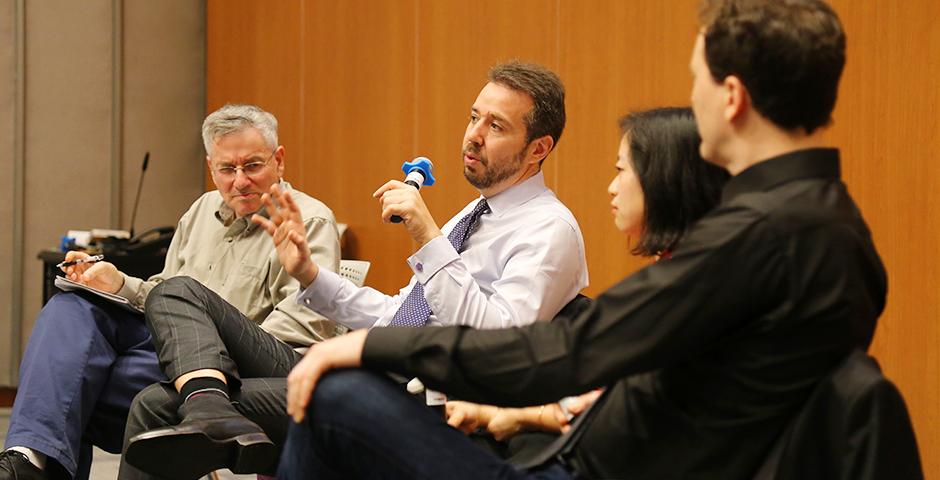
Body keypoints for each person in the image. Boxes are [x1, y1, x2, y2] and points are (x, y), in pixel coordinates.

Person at [269, 1, 891, 479]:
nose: (691, 94)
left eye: (696, 76)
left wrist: (371, 350)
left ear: (731, 98)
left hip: (584, 471)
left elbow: (567, 351)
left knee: (338, 393)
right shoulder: (827, 224)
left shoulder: (756, 236)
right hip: (585, 453)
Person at [122, 61, 589, 479]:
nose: (474, 135)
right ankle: (210, 405)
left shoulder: (549, 230)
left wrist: (428, 237)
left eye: (496, 126)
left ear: (537, 149)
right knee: (176, 292)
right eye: (473, 117)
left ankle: (211, 410)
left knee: (157, 406)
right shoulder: (474, 215)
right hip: (373, 369)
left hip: (422, 404)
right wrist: (308, 274)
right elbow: (401, 316)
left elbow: (500, 343)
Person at [0, 103, 341, 480]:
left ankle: (40, 456)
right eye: (227, 169)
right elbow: (165, 297)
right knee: (72, 304)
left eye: (253, 166)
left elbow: (305, 329)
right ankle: (27, 460)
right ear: (212, 168)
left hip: (241, 371)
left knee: (73, 386)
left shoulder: (309, 220)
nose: (240, 181)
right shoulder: (201, 211)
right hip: (167, 352)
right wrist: (117, 283)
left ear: (279, 159)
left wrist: (202, 350)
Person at [444, 107, 728, 452]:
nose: (611, 188)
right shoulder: (683, 270)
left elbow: (614, 406)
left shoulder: (686, 287)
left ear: (664, 180)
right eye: (473, 117)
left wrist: (519, 416)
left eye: (621, 170)